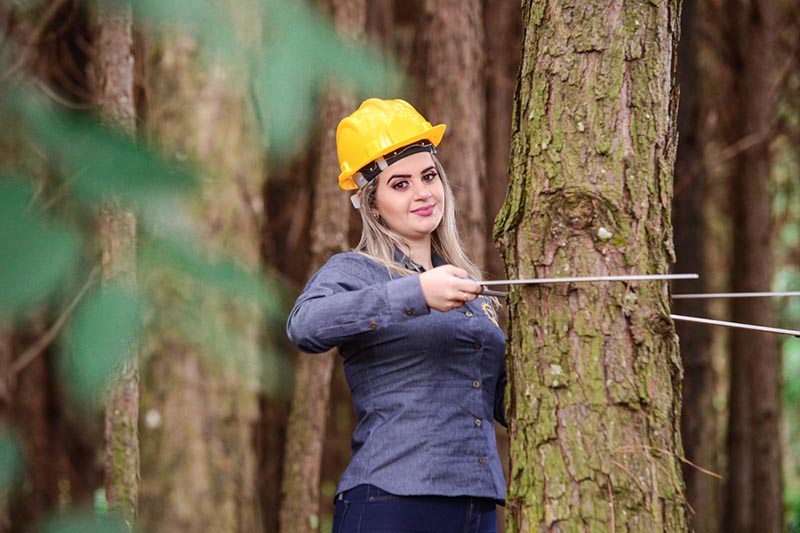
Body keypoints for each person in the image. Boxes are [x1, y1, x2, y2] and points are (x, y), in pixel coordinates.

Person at [286, 98, 507, 533]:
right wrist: (416, 293)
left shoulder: (470, 289)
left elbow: (501, 400)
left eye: (428, 177)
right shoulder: (354, 270)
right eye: (400, 184)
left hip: (477, 507)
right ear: (371, 204)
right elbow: (304, 325)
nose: (423, 193)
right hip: (393, 502)